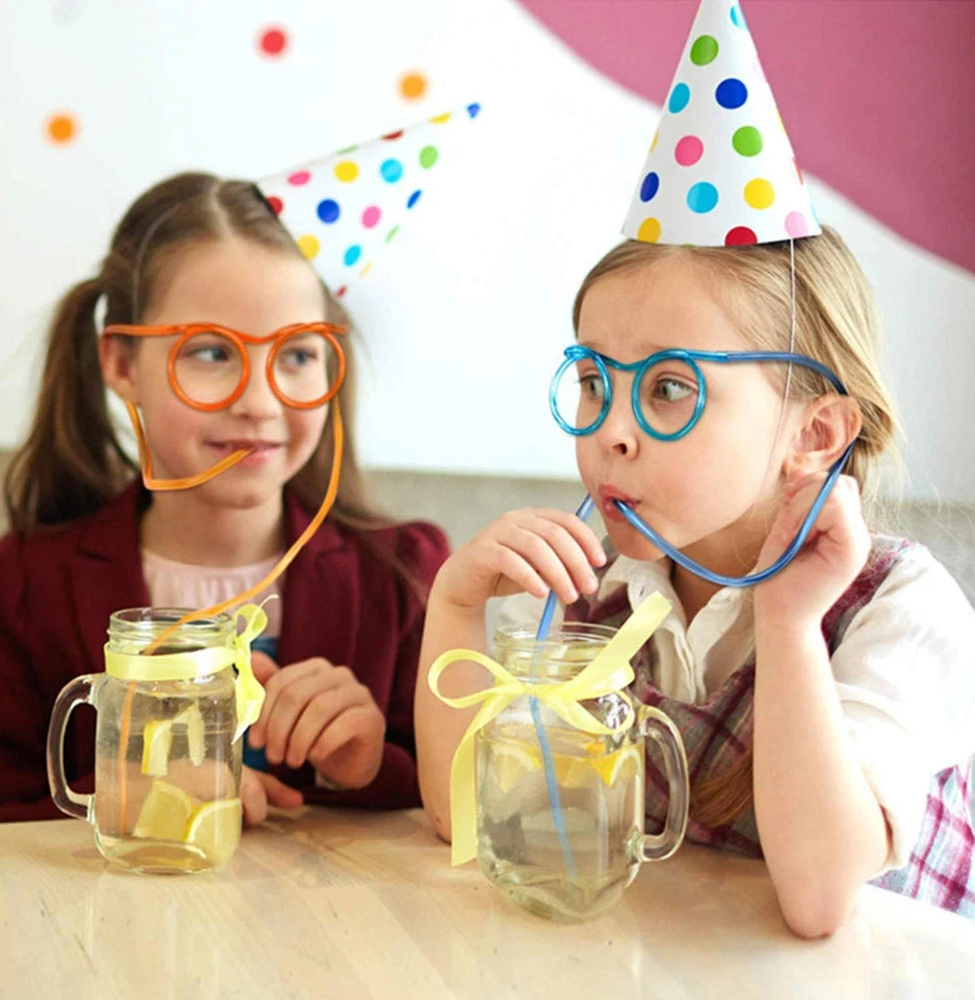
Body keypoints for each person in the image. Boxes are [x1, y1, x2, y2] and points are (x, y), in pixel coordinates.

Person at [415, 1, 975, 937]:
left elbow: (818, 899)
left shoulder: (901, 612)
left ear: (814, 432)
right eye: (594, 380)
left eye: (670, 388)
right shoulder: (597, 601)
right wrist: (456, 604)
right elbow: (464, 823)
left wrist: (786, 623)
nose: (610, 431)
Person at [0, 107, 480, 826]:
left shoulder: (404, 576)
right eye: (212, 352)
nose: (260, 401)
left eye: (296, 355)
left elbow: (463, 798)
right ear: (122, 364)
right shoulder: (23, 586)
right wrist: (117, 796)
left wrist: (369, 766)